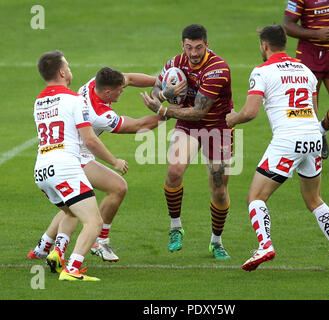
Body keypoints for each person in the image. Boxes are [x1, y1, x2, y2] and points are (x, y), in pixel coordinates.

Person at [225, 25, 329, 271]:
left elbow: (250, 112)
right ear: (285, 43)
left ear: (264, 45)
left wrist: (233, 119)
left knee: (256, 197)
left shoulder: (262, 71)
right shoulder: (306, 70)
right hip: (313, 137)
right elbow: (314, 113)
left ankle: (265, 246)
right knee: (314, 199)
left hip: (287, 140)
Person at [28, 67, 162, 264]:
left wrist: (160, 81)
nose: (123, 91)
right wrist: (169, 113)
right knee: (116, 187)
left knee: (71, 205)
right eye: (119, 89)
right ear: (108, 92)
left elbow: (130, 78)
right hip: (75, 156)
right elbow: (138, 126)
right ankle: (98, 242)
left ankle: (43, 246)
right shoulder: (100, 115)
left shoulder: (94, 83)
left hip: (59, 152)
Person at [141, 24, 234, 259]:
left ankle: (216, 241)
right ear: (183, 45)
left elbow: (199, 112)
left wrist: (163, 110)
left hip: (217, 126)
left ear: (207, 45)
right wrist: (164, 95)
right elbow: (156, 88)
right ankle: (175, 227)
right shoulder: (174, 62)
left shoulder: (217, 69)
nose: (194, 53)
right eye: (189, 47)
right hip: (187, 126)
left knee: (219, 187)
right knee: (174, 172)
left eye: (199, 47)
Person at [33, 50, 128, 281]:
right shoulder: (75, 100)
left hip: (42, 170)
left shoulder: (39, 101)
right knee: (93, 222)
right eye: (68, 65)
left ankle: (56, 251)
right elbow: (89, 140)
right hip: (65, 166)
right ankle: (72, 269)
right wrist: (114, 161)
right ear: (62, 72)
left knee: (70, 211)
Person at [283, 0, 329, 159]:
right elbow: (287, 25)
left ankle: (321, 130)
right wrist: (314, 34)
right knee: (306, 113)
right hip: (309, 57)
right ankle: (304, 158)